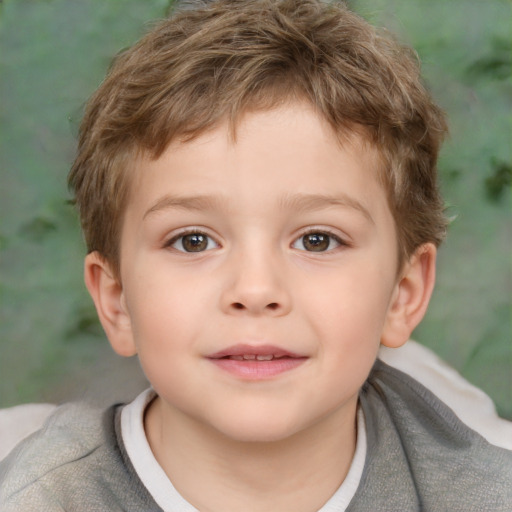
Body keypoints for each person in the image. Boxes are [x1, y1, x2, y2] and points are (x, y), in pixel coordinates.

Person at [0, 0, 511, 510]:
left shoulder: (481, 495)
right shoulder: (42, 498)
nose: (255, 290)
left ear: (404, 293)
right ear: (117, 302)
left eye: (318, 240)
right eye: (193, 240)